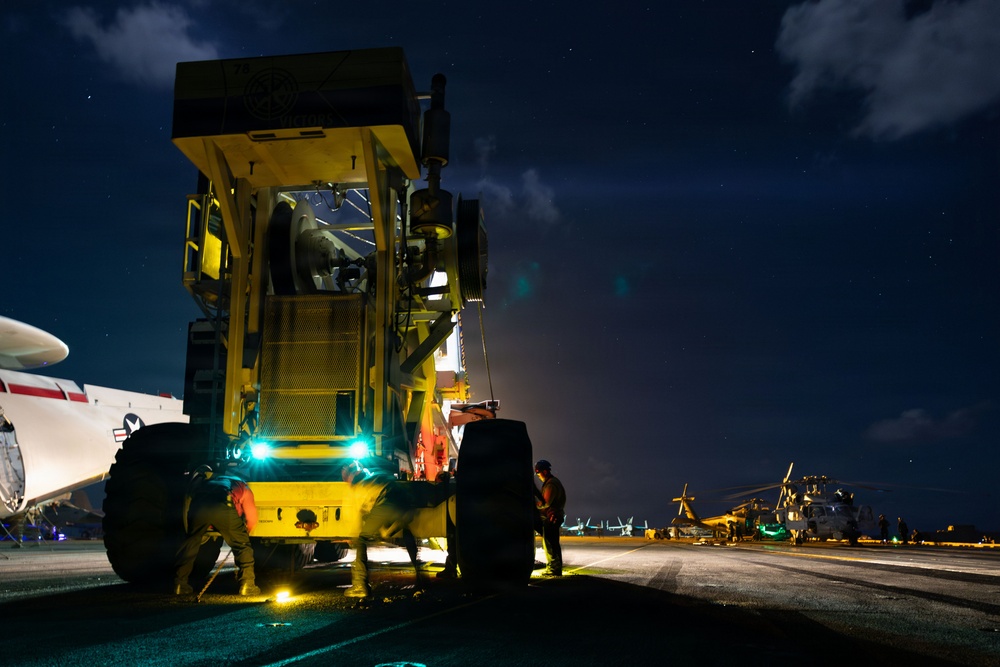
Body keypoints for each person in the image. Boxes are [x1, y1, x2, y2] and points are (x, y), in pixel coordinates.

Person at [174, 467, 260, 596]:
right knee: (243, 546)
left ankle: (180, 584)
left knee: (191, 543)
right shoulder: (244, 487)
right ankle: (248, 585)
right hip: (223, 506)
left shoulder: (212, 482)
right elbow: (251, 519)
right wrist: (242, 534)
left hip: (199, 506)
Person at [342, 461, 422, 598]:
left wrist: (351, 537)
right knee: (406, 531)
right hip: (406, 503)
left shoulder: (357, 488)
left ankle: (360, 585)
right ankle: (421, 578)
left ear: (350, 478)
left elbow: (355, 518)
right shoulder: (376, 473)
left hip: (387, 502)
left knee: (361, 539)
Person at [533, 459, 566, 577]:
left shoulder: (551, 484)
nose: (538, 476)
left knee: (550, 543)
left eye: (538, 473)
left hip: (552, 518)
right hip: (552, 517)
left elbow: (545, 503)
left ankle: (554, 569)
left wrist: (534, 505)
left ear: (545, 471)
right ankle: (554, 567)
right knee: (551, 542)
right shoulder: (551, 482)